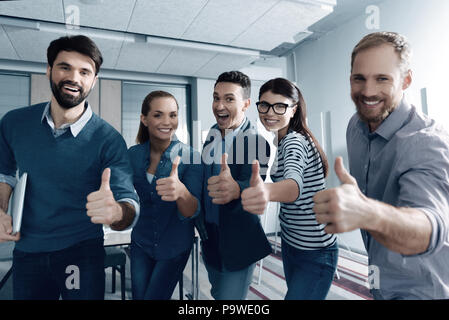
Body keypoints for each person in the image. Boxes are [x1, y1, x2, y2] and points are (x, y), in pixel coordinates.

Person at [0, 35, 139, 300]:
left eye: (84, 71)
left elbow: (128, 203)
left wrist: (116, 212)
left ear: (94, 80)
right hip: (28, 249)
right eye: (65, 67)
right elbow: (4, 173)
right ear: (49, 69)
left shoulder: (109, 140)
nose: (74, 77)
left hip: (81, 251)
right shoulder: (14, 123)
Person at [313, 31, 449, 299]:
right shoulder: (356, 126)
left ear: (406, 80)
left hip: (424, 290)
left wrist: (366, 213)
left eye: (382, 79)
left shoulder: (425, 142)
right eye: (359, 79)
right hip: (379, 280)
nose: (368, 92)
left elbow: (429, 229)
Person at [241, 78, 338, 299]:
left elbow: (293, 186)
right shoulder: (283, 140)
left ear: (293, 110)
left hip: (315, 251)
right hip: (293, 243)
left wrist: (264, 191)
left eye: (280, 106)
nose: (270, 112)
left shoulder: (294, 141)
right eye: (264, 105)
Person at [195, 70, 271, 300]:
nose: (219, 105)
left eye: (229, 99)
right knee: (219, 294)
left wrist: (237, 188)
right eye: (216, 97)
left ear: (246, 104)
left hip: (238, 242)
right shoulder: (211, 136)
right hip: (210, 239)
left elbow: (253, 183)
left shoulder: (256, 142)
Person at [127, 90, 202, 300]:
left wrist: (181, 192)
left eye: (173, 114)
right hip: (141, 242)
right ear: (144, 119)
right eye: (158, 115)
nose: (167, 121)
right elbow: (120, 191)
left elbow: (192, 210)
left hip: (174, 246)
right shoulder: (132, 155)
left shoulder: (191, 156)